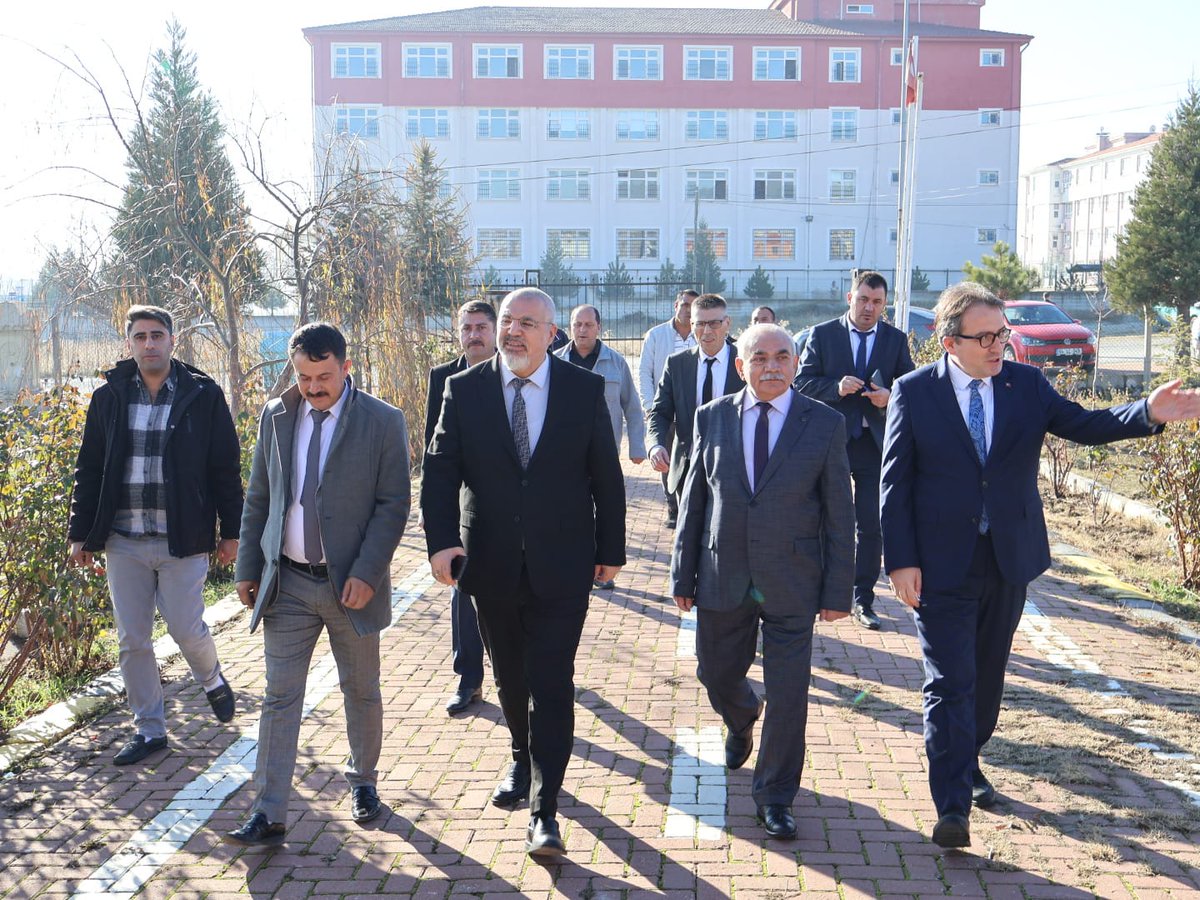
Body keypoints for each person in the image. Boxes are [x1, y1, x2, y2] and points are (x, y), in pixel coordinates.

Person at [880, 282, 1200, 849]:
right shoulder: (913, 392)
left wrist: (1147, 411)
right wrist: (900, 561)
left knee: (984, 683)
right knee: (948, 683)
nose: (998, 343)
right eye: (985, 336)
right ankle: (952, 806)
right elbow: (895, 483)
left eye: (1002, 332)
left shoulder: (1026, 383)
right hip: (939, 565)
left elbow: (1085, 425)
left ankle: (968, 756)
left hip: (1007, 559)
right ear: (949, 341)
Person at [421, 288, 626, 858]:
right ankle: (519, 753)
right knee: (511, 678)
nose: (512, 331)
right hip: (488, 562)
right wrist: (440, 544)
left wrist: (611, 548)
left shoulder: (583, 390)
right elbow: (438, 472)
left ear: (552, 334)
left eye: (526, 323)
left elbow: (605, 476)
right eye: (507, 321)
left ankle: (546, 809)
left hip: (564, 562)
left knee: (552, 681)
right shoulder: (465, 389)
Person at [224, 323, 410, 847]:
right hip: (288, 583)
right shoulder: (276, 414)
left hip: (350, 586)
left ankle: (364, 783)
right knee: (280, 697)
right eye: (304, 376)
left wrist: (368, 573)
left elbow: (394, 504)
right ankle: (269, 811)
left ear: (346, 367)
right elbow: (259, 493)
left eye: (323, 376)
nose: (312, 387)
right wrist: (248, 569)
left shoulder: (382, 421)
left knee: (360, 689)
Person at [672, 324, 854, 839]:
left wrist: (838, 590)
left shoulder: (823, 423)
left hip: (793, 580)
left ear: (796, 364)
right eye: (759, 358)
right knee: (716, 671)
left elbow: (840, 513)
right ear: (740, 365)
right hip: (720, 573)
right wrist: (682, 572)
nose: (771, 366)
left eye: (782, 357)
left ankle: (775, 796)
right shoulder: (711, 418)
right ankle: (741, 715)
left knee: (791, 692)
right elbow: (694, 502)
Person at [67, 305, 243, 766]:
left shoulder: (203, 394)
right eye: (140, 336)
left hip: (182, 537)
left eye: (157, 335)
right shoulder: (109, 398)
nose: (149, 344)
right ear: (129, 343)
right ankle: (149, 729)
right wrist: (80, 532)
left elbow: (225, 468)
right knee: (133, 639)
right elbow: (89, 469)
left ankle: (211, 679)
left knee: (187, 628)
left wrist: (233, 532)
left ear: (172, 339)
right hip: (124, 539)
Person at [795, 271, 914, 630]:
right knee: (819, 518)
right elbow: (800, 384)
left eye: (877, 302)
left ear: (884, 304)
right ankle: (818, 590)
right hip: (830, 443)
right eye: (863, 300)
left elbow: (909, 387)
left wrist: (889, 397)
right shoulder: (822, 334)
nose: (869, 308)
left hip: (874, 446)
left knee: (871, 526)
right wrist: (836, 387)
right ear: (850, 298)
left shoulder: (894, 339)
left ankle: (863, 599)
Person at [423, 300, 497, 715]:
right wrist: (433, 512)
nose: (473, 334)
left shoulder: (513, 371)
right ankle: (469, 678)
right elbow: (435, 452)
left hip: (505, 506)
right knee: (462, 590)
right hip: (462, 506)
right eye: (466, 327)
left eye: (481, 326)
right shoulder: (442, 377)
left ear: (494, 330)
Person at [555, 304, 645, 589]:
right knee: (568, 511)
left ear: (599, 328)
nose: (582, 330)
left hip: (604, 453)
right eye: (576, 324)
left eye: (588, 325)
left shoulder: (615, 363)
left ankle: (602, 569)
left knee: (604, 509)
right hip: (564, 455)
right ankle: (571, 565)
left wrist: (638, 447)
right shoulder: (555, 361)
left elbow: (632, 406)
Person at [648, 293, 745, 522]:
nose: (707, 331)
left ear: (727, 323)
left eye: (714, 323)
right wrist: (655, 445)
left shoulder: (745, 362)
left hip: (736, 468)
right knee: (689, 536)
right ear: (691, 325)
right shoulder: (677, 364)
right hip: (689, 466)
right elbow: (660, 411)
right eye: (700, 323)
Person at [638, 289, 699, 527]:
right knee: (666, 459)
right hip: (664, 410)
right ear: (676, 305)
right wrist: (649, 405)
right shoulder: (656, 335)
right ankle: (672, 506)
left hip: (693, 411)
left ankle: (691, 503)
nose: (687, 309)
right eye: (684, 304)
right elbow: (644, 372)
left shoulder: (701, 335)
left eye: (692, 306)